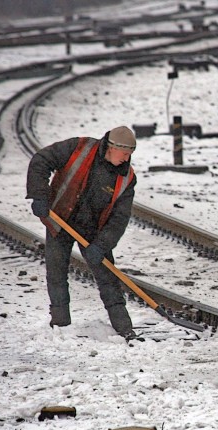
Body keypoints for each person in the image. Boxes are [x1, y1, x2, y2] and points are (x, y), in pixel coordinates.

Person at [26, 126, 138, 340]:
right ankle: (60, 326)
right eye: (124, 154)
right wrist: (39, 195)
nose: (127, 159)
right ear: (112, 148)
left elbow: (119, 219)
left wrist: (101, 246)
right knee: (56, 273)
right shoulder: (78, 148)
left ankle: (123, 327)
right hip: (61, 219)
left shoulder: (126, 179)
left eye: (130, 155)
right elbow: (41, 160)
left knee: (108, 278)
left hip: (94, 231)